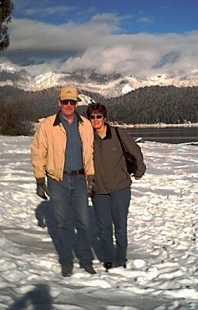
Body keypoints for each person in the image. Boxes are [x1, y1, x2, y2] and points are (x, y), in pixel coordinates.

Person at [31, 86, 97, 277]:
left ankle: (86, 261)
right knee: (61, 224)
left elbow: (90, 153)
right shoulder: (47, 125)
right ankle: (66, 262)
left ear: (77, 103)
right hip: (57, 179)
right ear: (59, 102)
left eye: (72, 102)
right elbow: (38, 152)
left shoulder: (85, 125)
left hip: (79, 179)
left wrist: (91, 178)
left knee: (83, 222)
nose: (69, 105)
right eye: (65, 102)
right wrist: (39, 180)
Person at [86, 102, 146, 271]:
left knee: (120, 226)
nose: (96, 120)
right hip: (99, 190)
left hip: (120, 187)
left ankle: (121, 259)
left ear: (104, 118)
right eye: (92, 117)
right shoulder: (87, 138)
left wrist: (139, 170)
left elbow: (135, 151)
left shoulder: (118, 134)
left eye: (99, 116)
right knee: (104, 227)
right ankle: (109, 260)